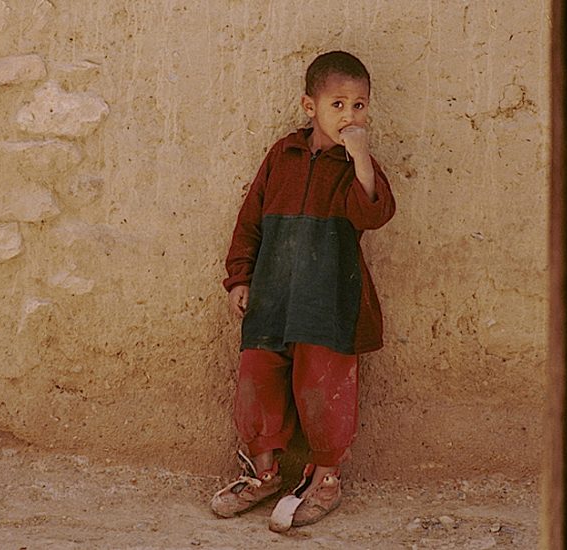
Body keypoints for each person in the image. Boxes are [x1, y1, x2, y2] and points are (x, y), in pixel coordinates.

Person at [209, 50, 396, 531]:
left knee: (323, 386)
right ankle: (263, 473)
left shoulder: (357, 165)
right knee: (258, 377)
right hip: (271, 295)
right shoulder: (283, 155)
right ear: (310, 106)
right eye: (338, 104)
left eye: (359, 106)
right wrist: (240, 277)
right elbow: (251, 219)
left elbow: (374, 213)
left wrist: (360, 159)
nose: (349, 116)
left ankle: (326, 480)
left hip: (327, 300)